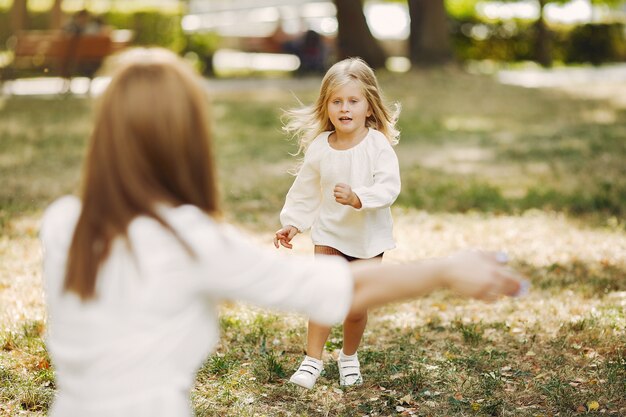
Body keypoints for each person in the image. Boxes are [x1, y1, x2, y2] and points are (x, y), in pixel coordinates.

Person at [40, 48, 523, 417]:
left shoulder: (61, 223)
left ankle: (340, 356)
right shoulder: (192, 241)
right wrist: (443, 269)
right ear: (188, 137)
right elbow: (332, 287)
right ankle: (316, 358)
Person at [273, 57, 402, 389]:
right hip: (330, 234)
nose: (345, 108)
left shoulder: (377, 145)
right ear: (326, 106)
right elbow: (304, 191)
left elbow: (389, 187)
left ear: (369, 108)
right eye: (337, 101)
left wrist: (360, 197)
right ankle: (312, 361)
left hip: (368, 239)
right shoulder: (321, 147)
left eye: (353, 101)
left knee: (356, 307)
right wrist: (292, 223)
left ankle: (348, 356)